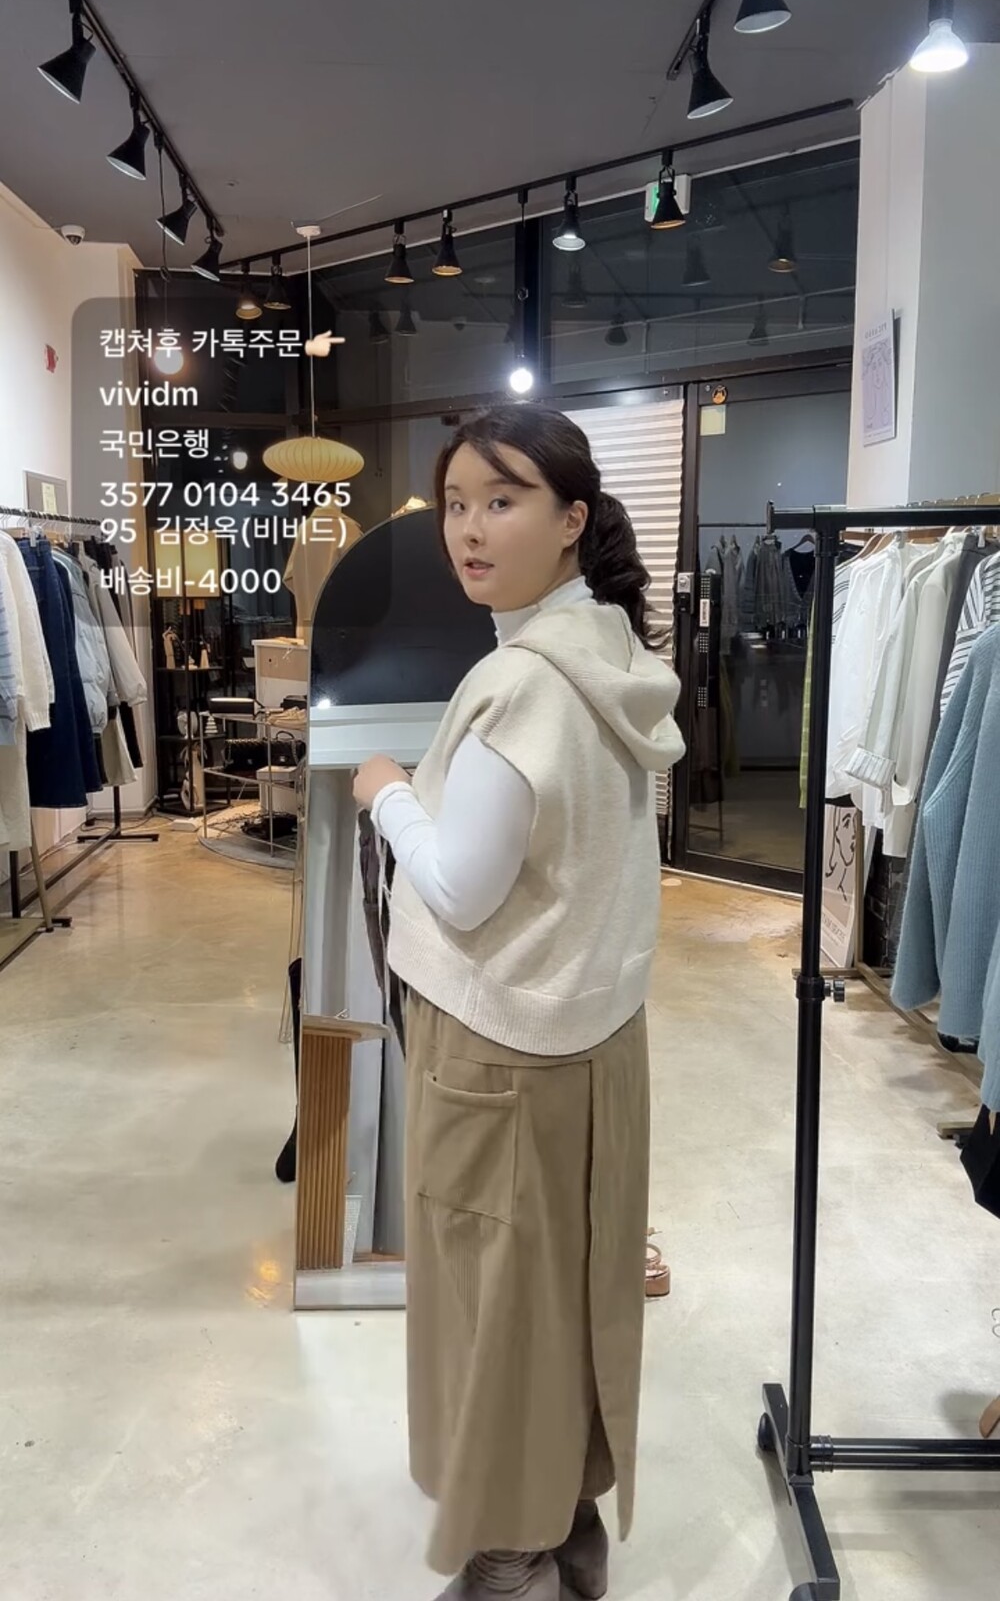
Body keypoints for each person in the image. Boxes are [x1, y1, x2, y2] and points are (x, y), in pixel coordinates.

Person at [352, 406, 684, 1600]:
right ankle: (563, 1532)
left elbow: (459, 888)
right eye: (455, 503)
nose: (469, 529)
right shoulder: (609, 653)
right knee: (567, 1303)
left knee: (491, 1314)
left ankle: (510, 1562)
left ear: (572, 517)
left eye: (503, 500)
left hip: (496, 1045)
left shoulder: (519, 683)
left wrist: (387, 792)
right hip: (592, 1040)